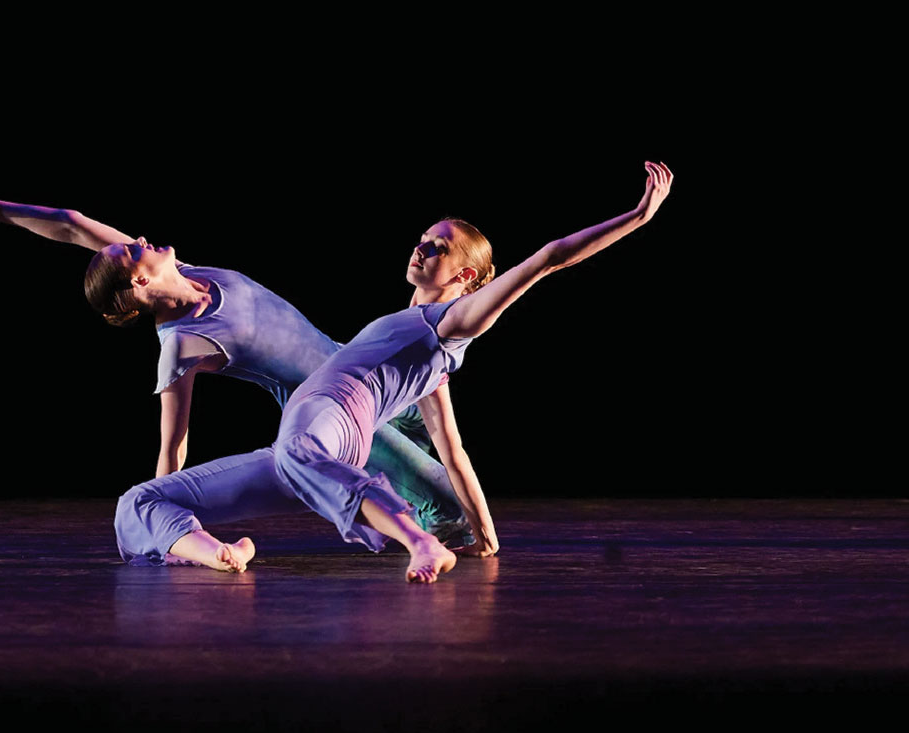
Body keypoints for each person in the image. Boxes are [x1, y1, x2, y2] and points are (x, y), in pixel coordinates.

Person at [114, 161, 674, 581]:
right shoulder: (424, 348)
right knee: (138, 501)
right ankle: (220, 554)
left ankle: (418, 542)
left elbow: (549, 257)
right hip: (312, 452)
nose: (423, 247)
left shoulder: (450, 323)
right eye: (424, 238)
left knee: (298, 451)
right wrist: (487, 536)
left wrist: (637, 216)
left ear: (471, 279)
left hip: (321, 426)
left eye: (440, 246)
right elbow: (454, 451)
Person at [0, 195, 469, 547]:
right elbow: (173, 440)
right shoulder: (182, 344)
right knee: (447, 509)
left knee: (448, 416)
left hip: (372, 367)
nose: (135, 239)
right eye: (132, 252)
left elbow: (70, 225)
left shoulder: (185, 270)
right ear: (138, 285)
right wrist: (163, 507)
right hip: (338, 415)